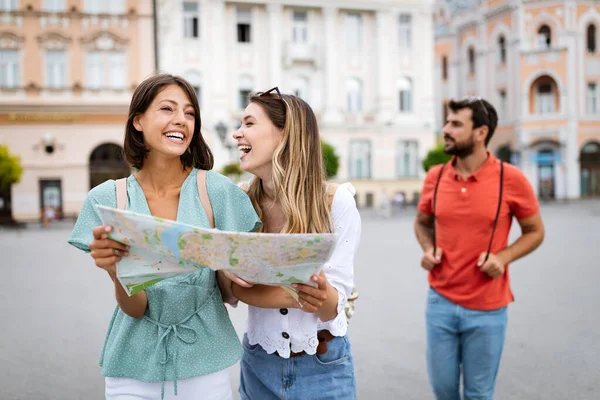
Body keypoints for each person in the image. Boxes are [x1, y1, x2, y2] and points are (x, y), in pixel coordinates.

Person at [67, 74, 261, 400]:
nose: (181, 120)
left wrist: (242, 271)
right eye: (167, 109)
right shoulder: (107, 200)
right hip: (131, 371)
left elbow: (239, 285)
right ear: (138, 121)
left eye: (189, 113)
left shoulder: (217, 192)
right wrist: (117, 272)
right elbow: (135, 307)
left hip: (206, 363)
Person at [222, 87, 361, 399]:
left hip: (324, 366)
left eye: (249, 123)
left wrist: (321, 295)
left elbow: (331, 307)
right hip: (259, 365)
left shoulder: (335, 201)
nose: (236, 134)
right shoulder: (240, 200)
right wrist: (298, 292)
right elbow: (229, 291)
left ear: (285, 135)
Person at [414, 97, 545, 400]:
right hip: (440, 304)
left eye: (456, 124)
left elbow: (536, 231)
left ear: (480, 133)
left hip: (488, 308)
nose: (445, 129)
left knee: (478, 394)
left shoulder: (510, 178)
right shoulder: (435, 177)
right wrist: (428, 247)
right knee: (444, 391)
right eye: (447, 122)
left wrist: (504, 257)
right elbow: (422, 222)